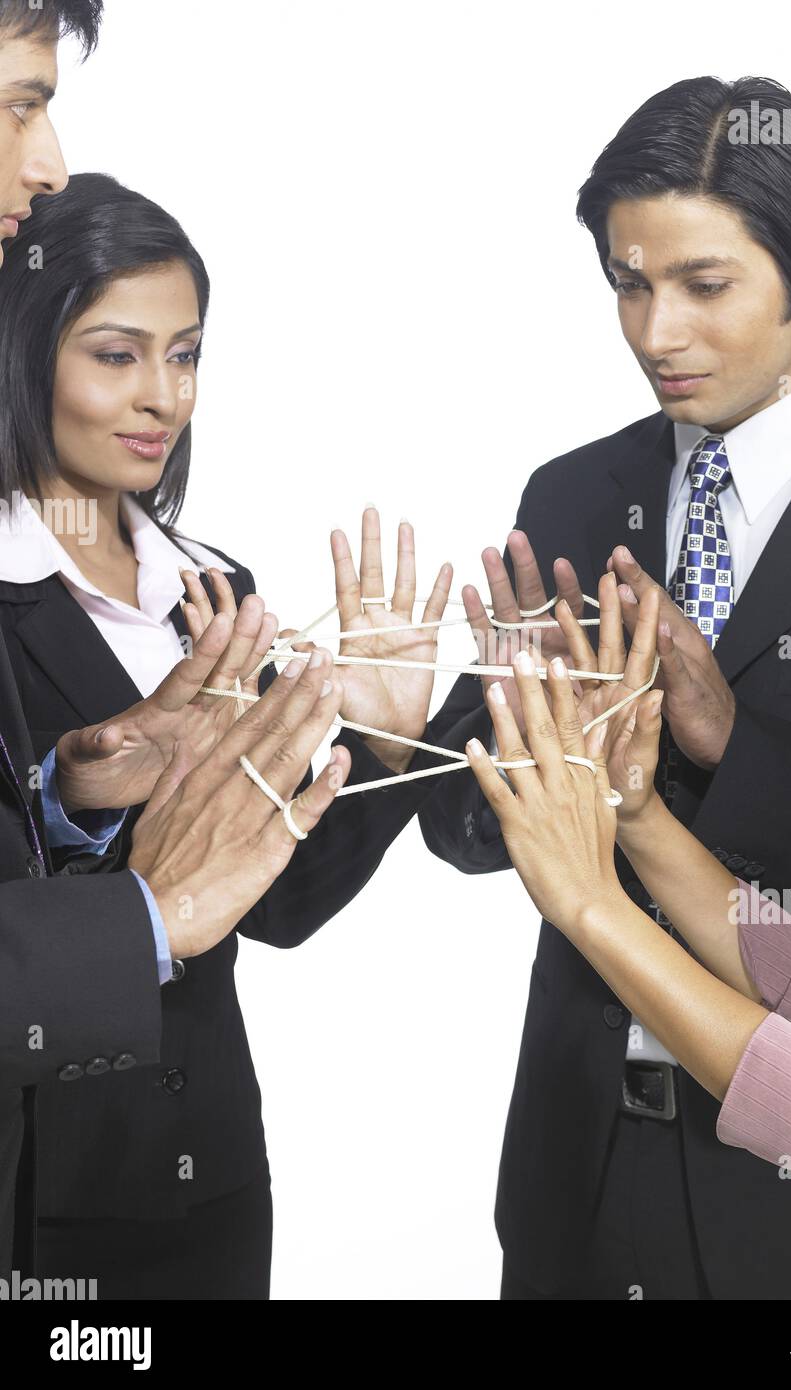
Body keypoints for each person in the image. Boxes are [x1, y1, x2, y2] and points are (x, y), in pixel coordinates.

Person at [419, 76, 791, 1300]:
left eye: (704, 285)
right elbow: (463, 827)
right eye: (628, 283)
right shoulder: (571, 494)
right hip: (576, 1156)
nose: (655, 331)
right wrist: (519, 739)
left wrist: (725, 743)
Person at [0, 169, 458, 1298]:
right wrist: (96, 789)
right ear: (23, 353)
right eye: (116, 354)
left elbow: (282, 905)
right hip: (37, 1186)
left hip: (207, 1175)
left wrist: (383, 743)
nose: (163, 394)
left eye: (186, 352)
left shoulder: (213, 590)